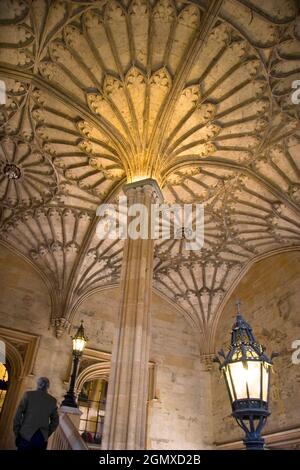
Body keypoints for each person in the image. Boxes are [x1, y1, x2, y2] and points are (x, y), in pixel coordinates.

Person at [13, 377, 59, 450]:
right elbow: (55, 421)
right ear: (48, 387)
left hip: (25, 435)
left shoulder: (28, 395)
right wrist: (46, 433)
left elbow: (18, 414)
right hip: (41, 438)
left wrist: (17, 430)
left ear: (37, 384)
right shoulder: (52, 401)